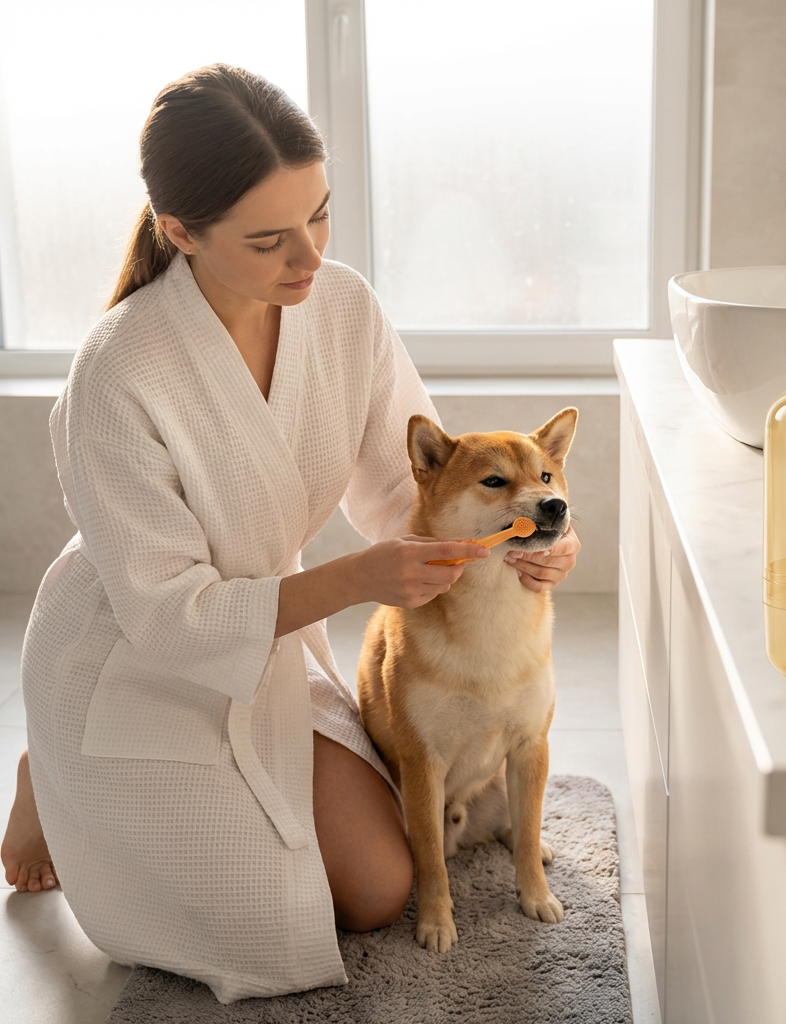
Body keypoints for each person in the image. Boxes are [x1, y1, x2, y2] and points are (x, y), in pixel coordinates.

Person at [0, 65, 579, 1003]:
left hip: (266, 627)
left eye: (319, 215)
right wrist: (360, 579)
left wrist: (521, 541)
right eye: (270, 240)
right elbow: (171, 616)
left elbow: (410, 486)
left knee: (379, 889)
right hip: (136, 647)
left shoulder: (341, 308)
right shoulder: (117, 377)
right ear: (180, 233)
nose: (309, 257)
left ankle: (56, 779)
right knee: (280, 915)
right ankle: (53, 775)